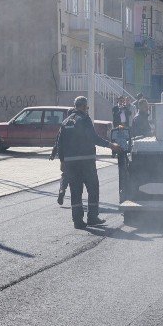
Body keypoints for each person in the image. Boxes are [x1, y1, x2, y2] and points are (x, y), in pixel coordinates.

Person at [58, 96, 120, 229]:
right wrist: (110, 145)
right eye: (87, 107)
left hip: (71, 163)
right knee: (93, 188)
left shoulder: (65, 121)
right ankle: (92, 217)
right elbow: (93, 138)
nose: (87, 110)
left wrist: (62, 161)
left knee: (75, 192)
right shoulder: (84, 120)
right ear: (83, 106)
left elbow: (59, 143)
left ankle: (78, 221)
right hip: (86, 162)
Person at [49, 128, 69, 205]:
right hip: (76, 156)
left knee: (65, 175)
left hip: (65, 157)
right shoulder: (79, 125)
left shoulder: (63, 127)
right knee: (77, 178)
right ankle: (76, 198)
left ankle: (62, 190)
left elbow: (58, 143)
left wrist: (53, 154)